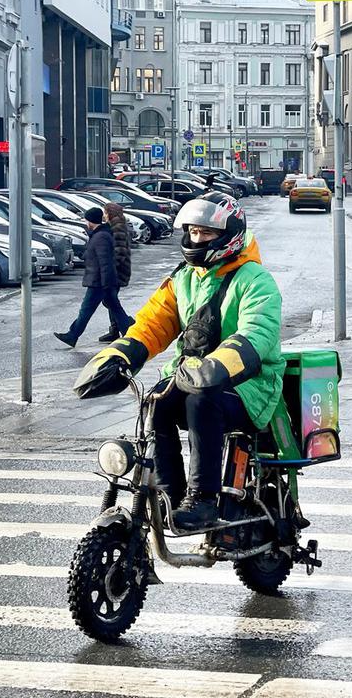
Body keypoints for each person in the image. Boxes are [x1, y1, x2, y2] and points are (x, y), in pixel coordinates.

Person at [73, 192, 285, 530]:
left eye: (207, 233)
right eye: (193, 231)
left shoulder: (255, 280)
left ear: (230, 235)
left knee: (202, 401)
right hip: (189, 376)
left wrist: (216, 366)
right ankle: (171, 496)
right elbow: (152, 324)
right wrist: (117, 356)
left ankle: (202, 500)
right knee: (155, 402)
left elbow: (257, 332)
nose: (197, 239)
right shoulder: (184, 277)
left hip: (250, 386)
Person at [54, 207, 133, 348]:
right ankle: (130, 332)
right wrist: (84, 255)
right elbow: (96, 255)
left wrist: (106, 283)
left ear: (90, 221)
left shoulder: (101, 236)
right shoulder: (99, 234)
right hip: (102, 281)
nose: (85, 223)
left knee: (86, 310)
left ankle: (72, 335)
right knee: (115, 307)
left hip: (99, 282)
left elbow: (105, 262)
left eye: (86, 220)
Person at [98, 202, 133, 344]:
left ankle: (127, 325)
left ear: (110, 213)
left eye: (105, 212)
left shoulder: (116, 227)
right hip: (118, 270)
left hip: (116, 271)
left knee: (109, 299)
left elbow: (120, 251)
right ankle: (115, 329)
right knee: (109, 299)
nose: (104, 215)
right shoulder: (116, 225)